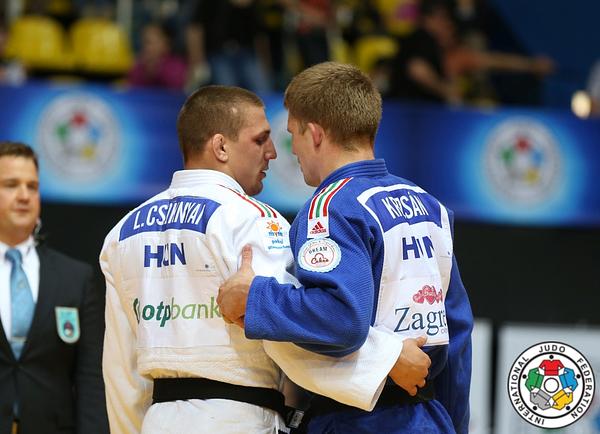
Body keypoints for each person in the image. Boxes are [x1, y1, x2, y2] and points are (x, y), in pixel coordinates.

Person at [100, 85, 432, 434]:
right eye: (260, 140)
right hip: (238, 420)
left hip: (158, 421)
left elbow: (122, 369)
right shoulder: (252, 219)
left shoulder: (122, 233)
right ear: (221, 147)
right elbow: (289, 336)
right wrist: (388, 359)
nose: (272, 152)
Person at [218, 61, 474, 433]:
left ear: (315, 134)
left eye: (293, 135)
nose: (291, 150)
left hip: (358, 421)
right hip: (429, 417)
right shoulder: (429, 206)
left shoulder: (332, 206)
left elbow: (340, 319)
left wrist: (255, 297)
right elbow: (457, 333)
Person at [0, 141, 108, 434]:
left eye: (32, 186)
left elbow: (91, 378)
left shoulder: (75, 278)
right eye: (11, 185)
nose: (24, 196)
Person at [128, 22, 187, 91]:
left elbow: (175, 87)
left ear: (165, 44)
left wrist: (155, 70)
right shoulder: (139, 66)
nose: (145, 47)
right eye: (143, 42)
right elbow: (132, 88)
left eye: (149, 42)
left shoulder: (176, 65)